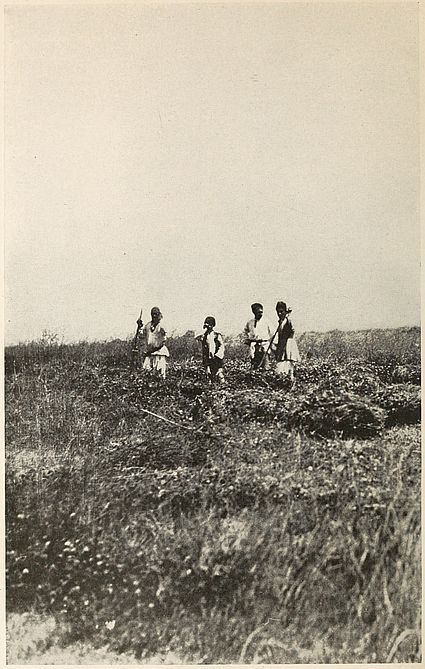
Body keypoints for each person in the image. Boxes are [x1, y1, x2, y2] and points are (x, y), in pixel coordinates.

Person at [137, 307, 170, 379]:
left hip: (160, 353)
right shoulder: (148, 326)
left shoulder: (162, 326)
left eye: (156, 314)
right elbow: (142, 335)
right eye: (152, 314)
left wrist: (154, 349)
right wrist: (139, 326)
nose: (154, 316)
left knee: (160, 374)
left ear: (159, 314)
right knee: (146, 372)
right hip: (150, 353)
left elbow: (163, 340)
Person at [273, 301, 300, 385]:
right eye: (278, 312)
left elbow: (292, 332)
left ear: (285, 311)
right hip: (281, 345)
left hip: (289, 344)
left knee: (289, 363)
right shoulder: (280, 322)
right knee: (281, 364)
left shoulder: (289, 321)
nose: (279, 314)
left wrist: (287, 344)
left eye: (281, 312)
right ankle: (283, 382)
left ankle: (292, 382)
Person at [195, 316, 225, 384]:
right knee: (209, 373)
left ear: (212, 325)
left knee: (219, 372)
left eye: (210, 324)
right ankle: (211, 385)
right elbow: (196, 337)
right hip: (207, 357)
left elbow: (221, 346)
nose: (208, 326)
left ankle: (223, 385)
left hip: (216, 356)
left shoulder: (216, 335)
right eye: (207, 324)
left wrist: (218, 355)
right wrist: (204, 330)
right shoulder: (204, 335)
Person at [244, 303, 273, 370]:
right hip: (254, 347)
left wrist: (271, 345)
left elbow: (273, 333)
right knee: (255, 366)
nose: (260, 314)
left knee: (265, 366)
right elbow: (245, 332)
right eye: (258, 312)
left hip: (264, 346)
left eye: (261, 312)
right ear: (254, 312)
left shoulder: (267, 321)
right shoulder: (250, 322)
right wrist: (248, 340)